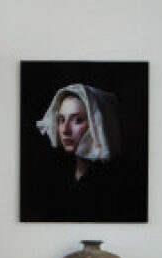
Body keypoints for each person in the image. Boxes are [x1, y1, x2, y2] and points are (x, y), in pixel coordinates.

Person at [31, 83, 143, 222]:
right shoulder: (56, 173)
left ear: (98, 124)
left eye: (77, 120)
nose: (65, 130)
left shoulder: (120, 181)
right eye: (61, 120)